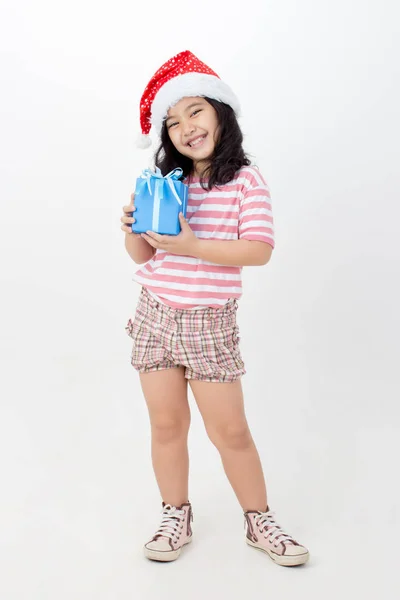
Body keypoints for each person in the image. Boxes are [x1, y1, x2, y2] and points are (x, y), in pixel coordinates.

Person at [121, 50, 309, 567]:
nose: (186, 127)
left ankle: (259, 519)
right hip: (156, 314)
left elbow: (259, 251)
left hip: (210, 322)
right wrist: (133, 226)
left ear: (222, 112)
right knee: (165, 425)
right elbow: (145, 256)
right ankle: (175, 512)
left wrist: (193, 245)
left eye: (195, 111)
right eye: (173, 121)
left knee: (230, 431)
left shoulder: (246, 181)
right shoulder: (169, 183)